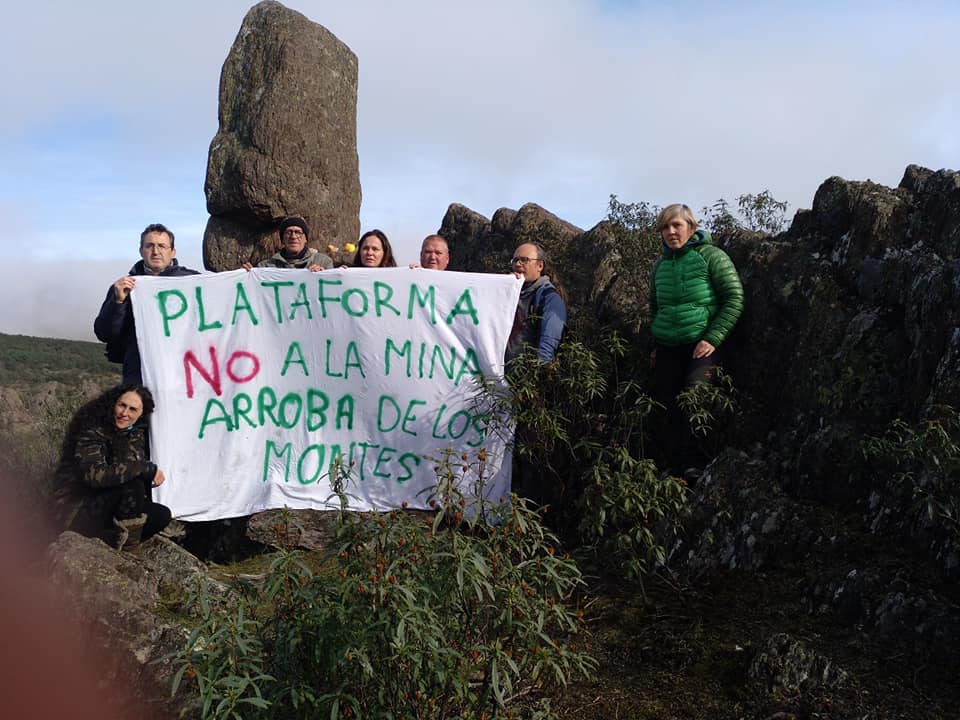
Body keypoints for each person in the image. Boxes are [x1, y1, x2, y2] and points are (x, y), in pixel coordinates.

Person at [649, 203, 744, 476]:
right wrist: (656, 344)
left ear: (692, 227)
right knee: (668, 404)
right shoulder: (660, 265)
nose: (670, 232)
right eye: (665, 227)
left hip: (702, 344)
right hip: (668, 347)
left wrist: (713, 337)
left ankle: (698, 467)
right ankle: (675, 469)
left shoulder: (712, 256)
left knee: (696, 399)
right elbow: (655, 306)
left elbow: (734, 297)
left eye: (676, 225)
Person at [53, 384, 171, 552]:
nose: (125, 413)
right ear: (113, 404)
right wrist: (145, 469)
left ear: (141, 414)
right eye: (122, 405)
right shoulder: (93, 431)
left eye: (132, 409)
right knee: (133, 485)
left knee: (161, 515)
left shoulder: (138, 436)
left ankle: (111, 543)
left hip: (116, 509)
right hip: (82, 508)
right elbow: (94, 475)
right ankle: (126, 549)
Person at [94, 223, 200, 384]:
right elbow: (104, 333)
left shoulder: (194, 281)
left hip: (183, 375)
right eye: (149, 246)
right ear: (141, 250)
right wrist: (118, 302)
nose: (156, 251)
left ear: (173, 252)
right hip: (139, 375)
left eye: (162, 246)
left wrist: (245, 277)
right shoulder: (124, 286)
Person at [504, 242, 567, 365]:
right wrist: (505, 287)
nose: (517, 264)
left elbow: (548, 344)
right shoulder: (509, 292)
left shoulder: (549, 299)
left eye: (524, 260)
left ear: (540, 266)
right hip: (497, 376)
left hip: (522, 378)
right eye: (515, 260)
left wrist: (535, 376)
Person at [243, 216, 333, 271]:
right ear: (282, 239)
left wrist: (325, 275)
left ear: (306, 238)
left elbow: (334, 290)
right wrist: (244, 276)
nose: (293, 237)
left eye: (298, 232)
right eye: (288, 232)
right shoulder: (265, 266)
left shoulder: (323, 262)